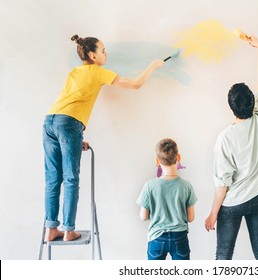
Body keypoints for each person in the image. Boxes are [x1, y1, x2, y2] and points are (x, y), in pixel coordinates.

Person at [43, 34, 164, 242]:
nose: (106, 53)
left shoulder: (75, 72)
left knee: (53, 179)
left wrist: (74, 138)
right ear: (92, 55)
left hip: (50, 122)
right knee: (71, 179)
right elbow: (135, 84)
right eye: (103, 50)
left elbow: (69, 104)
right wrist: (152, 66)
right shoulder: (98, 72)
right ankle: (69, 230)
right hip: (68, 124)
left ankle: (51, 229)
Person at [204, 35, 258, 260]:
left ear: (231, 107)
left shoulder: (225, 138)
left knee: (224, 255)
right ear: (253, 102)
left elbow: (222, 183)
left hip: (233, 204)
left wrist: (213, 213)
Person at [137, 138, 197, 260]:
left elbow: (143, 217)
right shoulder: (186, 186)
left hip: (157, 238)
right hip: (180, 238)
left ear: (157, 161)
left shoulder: (149, 186)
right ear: (178, 157)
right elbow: (190, 218)